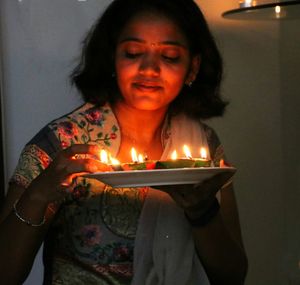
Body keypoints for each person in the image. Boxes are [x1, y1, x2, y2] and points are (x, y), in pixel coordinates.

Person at [0, 0, 248, 284]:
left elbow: (233, 276)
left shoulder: (202, 147)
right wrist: (38, 194)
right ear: (112, 58)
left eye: (169, 56)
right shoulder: (63, 144)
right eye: (133, 53)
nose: (150, 68)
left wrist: (201, 210)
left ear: (192, 68)